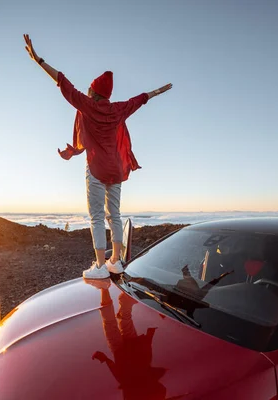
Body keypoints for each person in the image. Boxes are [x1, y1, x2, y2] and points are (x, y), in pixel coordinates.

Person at [24, 34, 172, 279]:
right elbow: (141, 99)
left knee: (96, 216)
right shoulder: (118, 109)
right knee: (114, 214)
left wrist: (38, 60)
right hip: (115, 170)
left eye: (90, 87)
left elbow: (62, 81)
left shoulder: (86, 105)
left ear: (93, 90)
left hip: (96, 169)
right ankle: (116, 261)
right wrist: (159, 91)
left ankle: (100, 266)